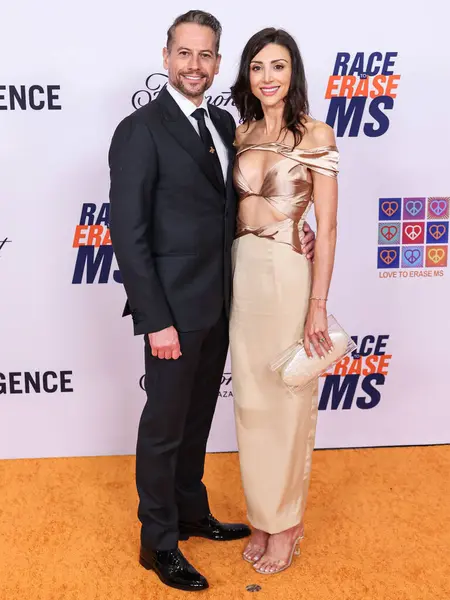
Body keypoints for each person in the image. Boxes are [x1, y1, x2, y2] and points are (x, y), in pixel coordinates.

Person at [109, 11, 316, 592]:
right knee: (164, 427)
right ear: (167, 56)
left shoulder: (226, 123)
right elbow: (129, 235)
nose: (195, 65)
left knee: (198, 418)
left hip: (225, 305)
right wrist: (155, 320)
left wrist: (295, 225)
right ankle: (159, 541)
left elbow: (241, 204)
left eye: (206, 56)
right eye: (184, 53)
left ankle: (190, 511)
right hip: (172, 314)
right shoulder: (139, 129)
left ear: (218, 63)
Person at [229, 28, 339, 575]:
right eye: (256, 67)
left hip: (290, 276)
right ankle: (263, 516)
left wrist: (318, 302)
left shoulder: (317, 135)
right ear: (247, 76)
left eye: (277, 66)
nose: (267, 77)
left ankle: (287, 524)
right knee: (250, 403)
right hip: (242, 274)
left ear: (293, 73)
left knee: (288, 398)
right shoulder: (240, 133)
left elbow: (329, 226)